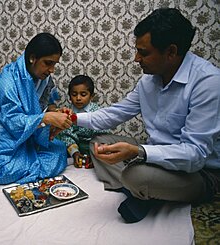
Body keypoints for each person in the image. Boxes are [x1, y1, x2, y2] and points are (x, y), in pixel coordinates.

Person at [73, 8, 220, 223]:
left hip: (199, 173)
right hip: (156, 160)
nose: (136, 58)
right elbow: (115, 114)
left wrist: (140, 151)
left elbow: (195, 155)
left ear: (171, 52)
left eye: (143, 52)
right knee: (99, 143)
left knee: (136, 176)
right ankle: (145, 194)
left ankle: (141, 189)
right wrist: (71, 118)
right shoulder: (148, 81)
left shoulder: (208, 83)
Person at [0, 33, 73, 184]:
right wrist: (46, 118)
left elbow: (49, 105)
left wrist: (57, 115)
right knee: (3, 169)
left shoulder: (45, 79)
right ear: (32, 58)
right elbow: (13, 121)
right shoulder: (7, 80)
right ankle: (28, 163)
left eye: (54, 64)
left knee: (59, 150)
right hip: (5, 138)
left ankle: (29, 162)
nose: (52, 70)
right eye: (48, 63)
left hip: (30, 137)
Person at [57, 75, 108, 168]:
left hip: (93, 145)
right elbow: (67, 135)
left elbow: (102, 135)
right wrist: (75, 152)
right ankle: (74, 157)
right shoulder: (68, 113)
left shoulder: (97, 112)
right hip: (74, 146)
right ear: (69, 96)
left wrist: (96, 152)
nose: (78, 98)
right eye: (74, 94)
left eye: (83, 94)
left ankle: (95, 159)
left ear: (92, 96)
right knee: (58, 137)